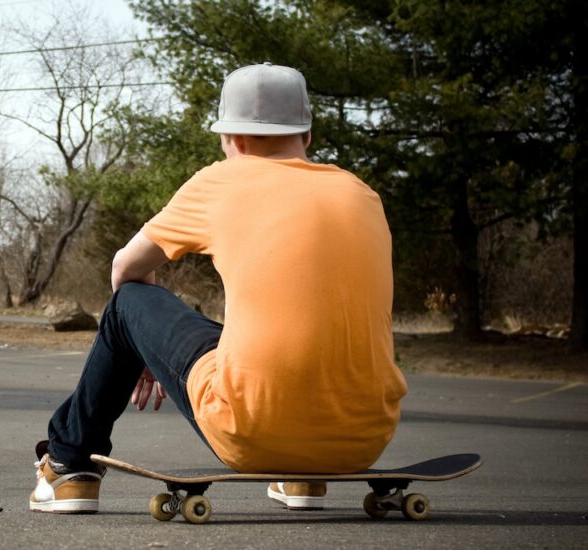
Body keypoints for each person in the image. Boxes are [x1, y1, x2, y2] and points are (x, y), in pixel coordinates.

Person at [29, 63, 408, 514]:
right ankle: (302, 478)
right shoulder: (362, 195)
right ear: (307, 134)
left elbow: (125, 267)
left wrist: (146, 352)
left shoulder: (221, 181)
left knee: (128, 300)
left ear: (233, 139)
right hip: (364, 439)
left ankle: (70, 465)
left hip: (251, 431)